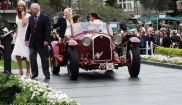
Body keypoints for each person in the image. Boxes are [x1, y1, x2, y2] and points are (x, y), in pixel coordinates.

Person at [25, 3, 51, 79]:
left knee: (44, 58)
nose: (30, 10)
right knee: (32, 58)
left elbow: (48, 30)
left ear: (36, 9)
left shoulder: (45, 17)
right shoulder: (30, 18)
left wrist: (46, 40)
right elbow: (29, 29)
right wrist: (26, 39)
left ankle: (46, 73)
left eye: (31, 9)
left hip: (42, 42)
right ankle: (34, 73)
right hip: (32, 42)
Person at [11, 0, 30, 77]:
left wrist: (23, 15)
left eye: (21, 6)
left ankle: (28, 71)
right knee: (17, 54)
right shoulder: (16, 16)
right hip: (19, 37)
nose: (20, 7)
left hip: (26, 36)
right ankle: (20, 70)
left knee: (26, 55)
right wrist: (15, 37)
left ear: (24, 7)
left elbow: (24, 24)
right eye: (19, 6)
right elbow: (18, 27)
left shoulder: (28, 15)